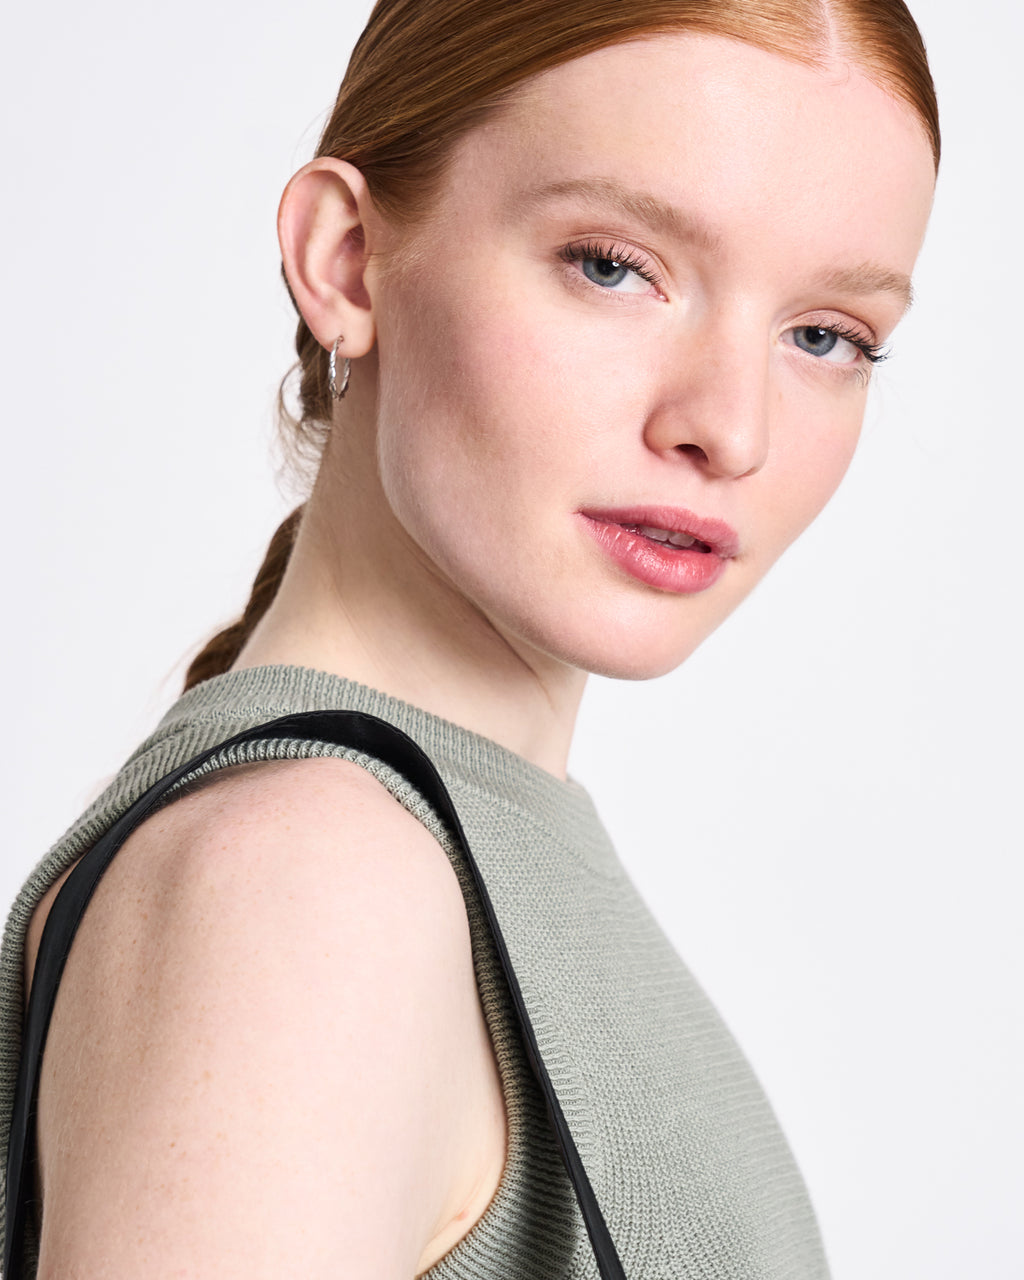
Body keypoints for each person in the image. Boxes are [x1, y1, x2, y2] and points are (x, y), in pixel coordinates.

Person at [0, 0, 938, 1276]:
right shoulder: (308, 882)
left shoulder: (429, 844)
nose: (731, 426)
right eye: (613, 264)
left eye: (825, 335)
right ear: (345, 260)